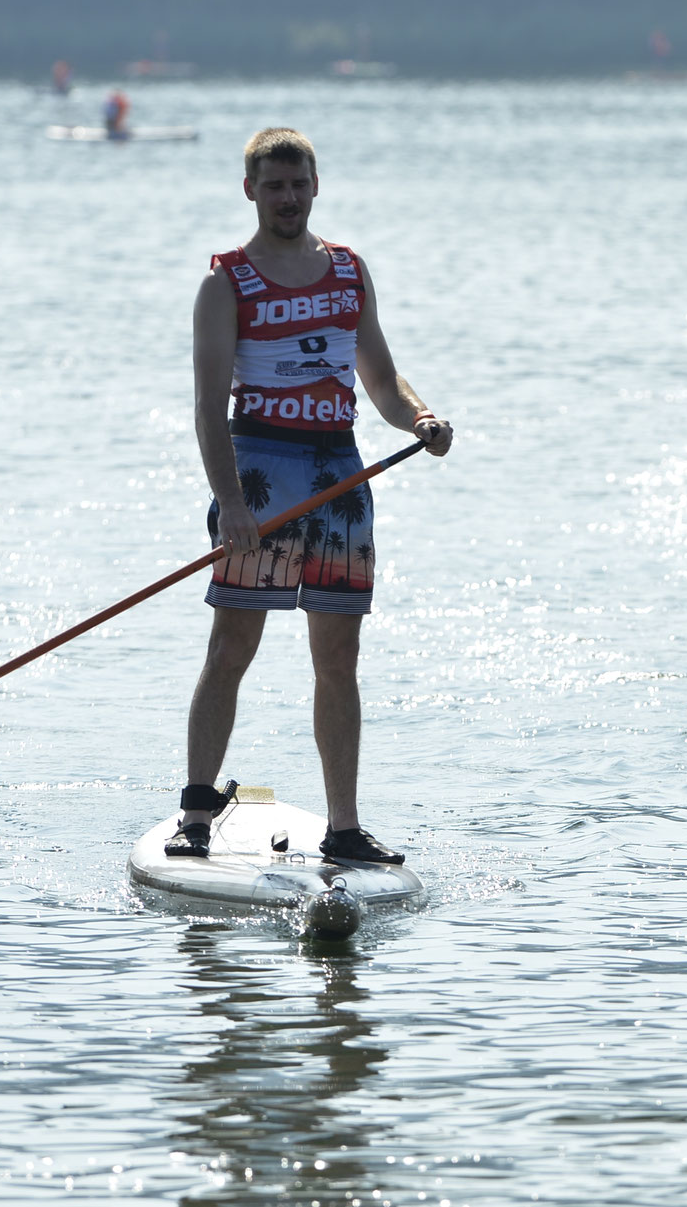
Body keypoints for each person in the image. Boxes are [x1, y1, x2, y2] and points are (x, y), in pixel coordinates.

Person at [169, 127, 454, 863]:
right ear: (251, 192)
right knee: (233, 646)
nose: (288, 198)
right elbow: (207, 409)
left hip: (339, 480)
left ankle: (345, 828)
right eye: (274, 186)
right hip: (259, 479)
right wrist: (230, 505)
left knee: (340, 657)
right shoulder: (225, 283)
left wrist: (420, 416)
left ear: (316, 186)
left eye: (298, 184)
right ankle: (197, 813)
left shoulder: (350, 272)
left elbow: (383, 383)